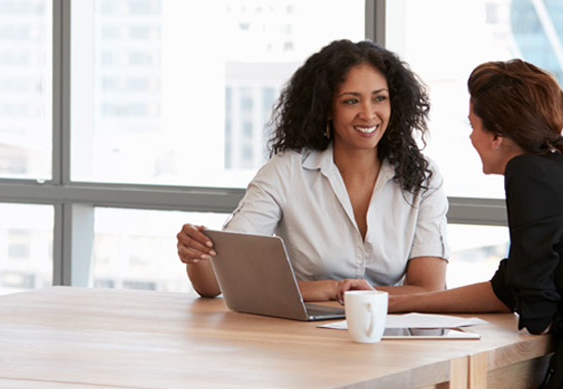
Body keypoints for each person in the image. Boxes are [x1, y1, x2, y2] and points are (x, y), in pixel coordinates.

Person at [386, 59, 563, 389]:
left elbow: (534, 299)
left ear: (497, 136)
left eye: (473, 126)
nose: (471, 137)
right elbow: (510, 287)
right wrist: (396, 302)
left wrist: (533, 306)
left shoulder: (526, 171)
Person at [175, 40, 449, 303]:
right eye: (351, 101)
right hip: (301, 339)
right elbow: (214, 282)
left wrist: (342, 294)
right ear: (327, 108)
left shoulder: (422, 178)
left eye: (379, 98)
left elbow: (428, 288)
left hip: (390, 336)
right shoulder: (286, 172)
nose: (368, 113)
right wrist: (196, 252)